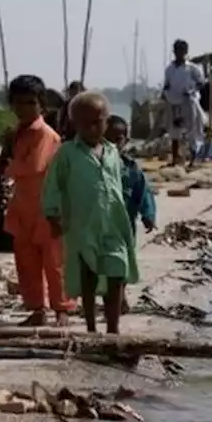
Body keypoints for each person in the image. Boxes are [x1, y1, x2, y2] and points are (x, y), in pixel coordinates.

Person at [43, 92, 139, 335]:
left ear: (106, 121)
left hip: (113, 222)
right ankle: (91, 327)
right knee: (89, 274)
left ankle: (113, 328)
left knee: (117, 270)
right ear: (75, 124)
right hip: (83, 223)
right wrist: (53, 215)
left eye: (98, 122)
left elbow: (116, 183)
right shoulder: (67, 153)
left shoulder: (112, 152)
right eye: (85, 124)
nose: (92, 128)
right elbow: (53, 185)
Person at [0, 75, 72, 327]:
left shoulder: (45, 134)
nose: (23, 109)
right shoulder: (17, 134)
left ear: (42, 104)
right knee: (26, 261)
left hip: (49, 207)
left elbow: (34, 165)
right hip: (24, 205)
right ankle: (36, 308)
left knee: (54, 261)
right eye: (18, 103)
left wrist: (5, 166)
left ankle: (61, 309)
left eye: (30, 103)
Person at [104, 116, 157, 237]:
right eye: (107, 140)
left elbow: (143, 191)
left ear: (126, 141)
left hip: (125, 223)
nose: (112, 145)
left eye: (117, 140)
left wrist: (148, 214)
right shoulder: (92, 165)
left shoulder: (130, 167)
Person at [161, 40, 207, 169]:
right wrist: (164, 93)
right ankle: (175, 158)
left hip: (189, 101)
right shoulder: (169, 69)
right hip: (173, 101)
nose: (179, 53)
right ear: (174, 52)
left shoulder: (192, 68)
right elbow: (167, 84)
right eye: (176, 50)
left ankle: (193, 159)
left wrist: (192, 90)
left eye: (181, 51)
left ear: (186, 52)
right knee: (174, 130)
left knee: (192, 130)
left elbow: (201, 83)